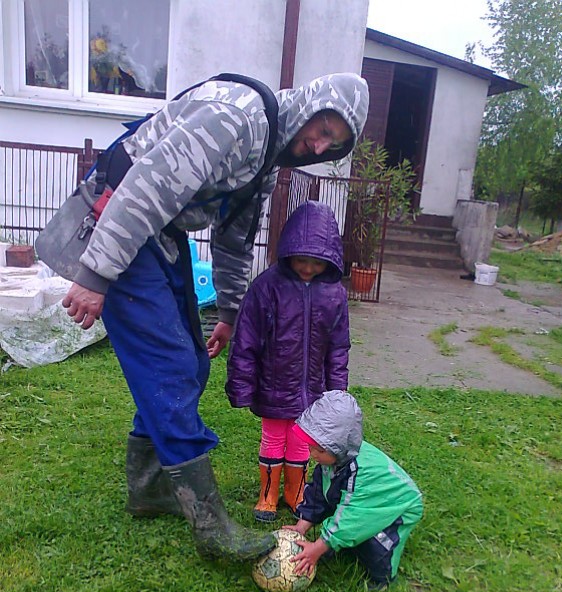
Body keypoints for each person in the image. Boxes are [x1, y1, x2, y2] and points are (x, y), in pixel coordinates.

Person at [58, 73, 369, 562]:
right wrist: (96, 275)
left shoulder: (268, 155)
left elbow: (234, 235)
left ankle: (149, 487)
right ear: (307, 106)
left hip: (160, 234)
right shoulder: (237, 119)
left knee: (195, 364)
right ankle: (211, 526)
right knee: (172, 369)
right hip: (119, 218)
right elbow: (145, 186)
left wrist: (228, 309)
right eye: (322, 128)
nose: (318, 145)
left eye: (333, 144)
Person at [226, 200, 350, 523]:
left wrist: (336, 393)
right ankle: (267, 493)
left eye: (316, 262)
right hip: (272, 386)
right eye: (301, 260)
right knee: (273, 438)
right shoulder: (267, 287)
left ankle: (295, 492)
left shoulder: (335, 295)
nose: (308, 268)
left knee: (301, 442)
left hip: (313, 393)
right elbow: (246, 339)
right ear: (289, 251)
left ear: (330, 259)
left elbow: (338, 348)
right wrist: (241, 385)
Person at [285, 390, 423, 591]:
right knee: (341, 518)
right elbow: (316, 494)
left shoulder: (361, 474)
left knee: (375, 546)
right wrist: (301, 527)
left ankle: (383, 580)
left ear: (340, 447)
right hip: (364, 503)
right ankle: (335, 543)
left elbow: (351, 517)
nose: (312, 454)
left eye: (319, 450)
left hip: (398, 506)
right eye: (310, 447)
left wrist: (319, 547)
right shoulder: (332, 460)